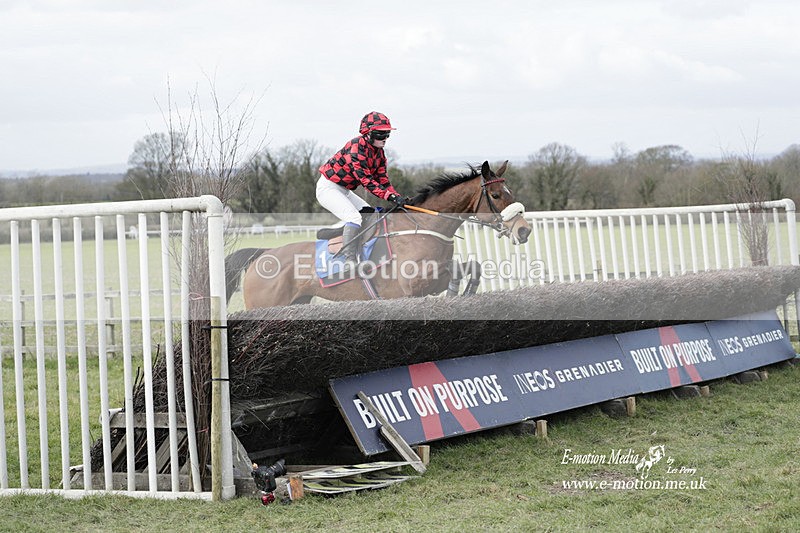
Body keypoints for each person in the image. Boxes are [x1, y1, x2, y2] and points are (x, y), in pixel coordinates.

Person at [316, 111, 408, 269]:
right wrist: (390, 197)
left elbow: (383, 180)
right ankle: (348, 260)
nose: (385, 138)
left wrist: (396, 197)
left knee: (371, 214)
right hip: (328, 189)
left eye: (387, 134)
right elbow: (367, 181)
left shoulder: (379, 153)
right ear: (368, 134)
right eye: (381, 134)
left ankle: (361, 250)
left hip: (344, 190)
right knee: (354, 218)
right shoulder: (356, 147)